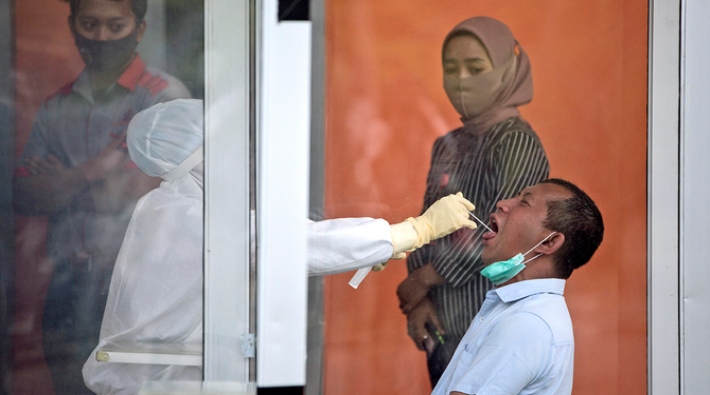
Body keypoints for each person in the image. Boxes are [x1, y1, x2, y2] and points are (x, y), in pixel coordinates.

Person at [83, 99, 479, 394]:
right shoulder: (187, 215)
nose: (243, 158)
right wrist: (411, 231)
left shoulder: (171, 206)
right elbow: (283, 244)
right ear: (196, 158)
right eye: (225, 147)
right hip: (155, 383)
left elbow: (278, 237)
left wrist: (372, 245)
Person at [11, 0, 191, 393]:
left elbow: (128, 196)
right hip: (65, 282)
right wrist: (91, 171)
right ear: (73, 25)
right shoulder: (57, 105)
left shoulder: (163, 99)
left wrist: (63, 182)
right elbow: (24, 195)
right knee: (70, 385)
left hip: (135, 285)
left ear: (139, 29)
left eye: (115, 25)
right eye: (90, 24)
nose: (102, 37)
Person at [397, 16, 550, 387]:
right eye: (451, 69)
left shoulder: (515, 142)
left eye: (476, 68)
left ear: (507, 69)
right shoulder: (449, 143)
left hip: (489, 315)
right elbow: (427, 223)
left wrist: (425, 278)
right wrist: (418, 299)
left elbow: (504, 235)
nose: (462, 80)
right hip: (439, 316)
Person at [431, 178, 604, 395]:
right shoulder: (519, 310)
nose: (503, 203)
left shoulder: (528, 323)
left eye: (524, 202)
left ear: (548, 242)